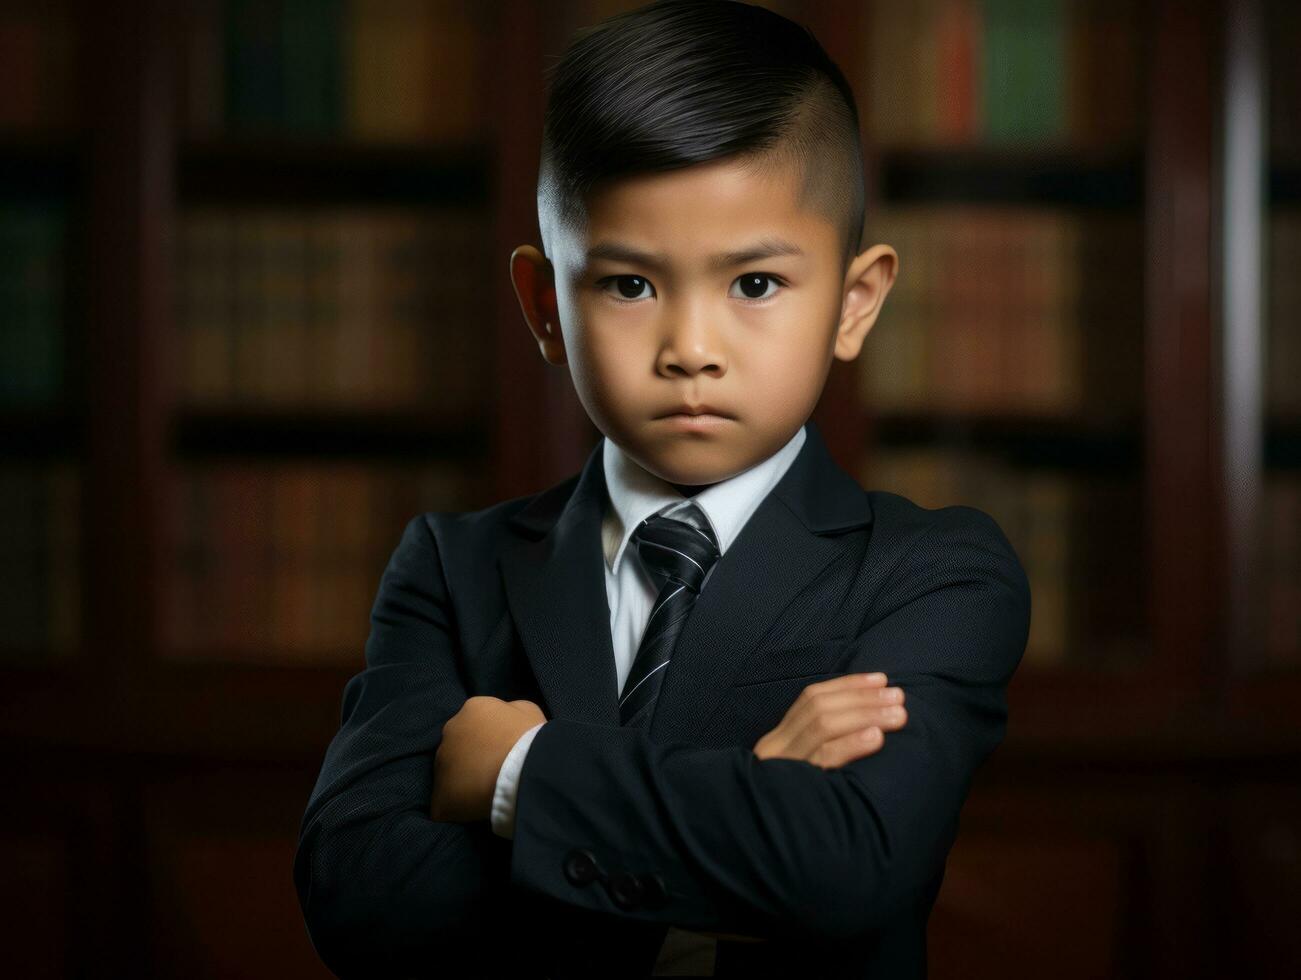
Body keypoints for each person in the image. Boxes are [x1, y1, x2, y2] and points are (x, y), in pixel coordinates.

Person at [293, 1, 1031, 977]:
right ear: (542, 303)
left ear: (853, 304)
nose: (689, 349)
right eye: (629, 285)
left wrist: (519, 773)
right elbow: (362, 898)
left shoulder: (932, 572)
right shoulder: (454, 569)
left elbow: (846, 866)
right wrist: (750, 798)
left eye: (755, 284)